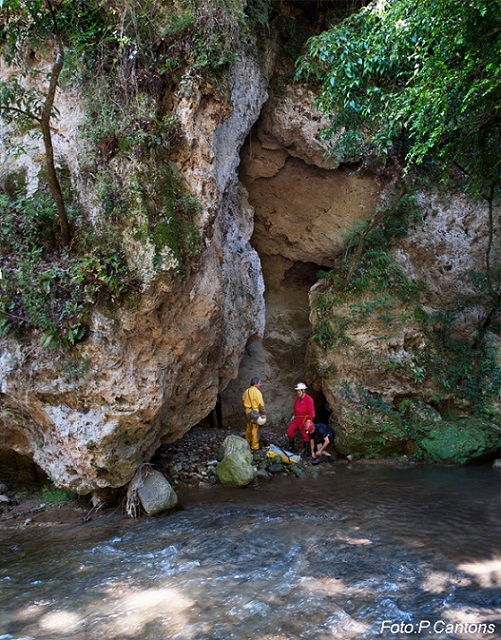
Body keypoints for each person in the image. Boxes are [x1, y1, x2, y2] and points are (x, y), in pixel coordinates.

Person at [286, 382, 315, 457]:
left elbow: (312, 413)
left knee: (306, 434)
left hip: (305, 419)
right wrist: (293, 416)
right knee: (290, 431)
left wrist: (308, 422)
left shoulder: (309, 399)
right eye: (297, 391)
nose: (297, 392)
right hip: (297, 419)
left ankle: (307, 450)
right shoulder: (297, 399)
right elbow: (295, 409)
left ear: (303, 390)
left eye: (299, 390)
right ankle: (291, 446)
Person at [242, 376, 265, 453]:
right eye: (259, 383)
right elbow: (261, 405)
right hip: (255, 412)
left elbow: (243, 400)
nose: (260, 385)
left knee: (248, 426)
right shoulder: (257, 392)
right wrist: (263, 414)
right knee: (255, 428)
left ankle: (247, 442)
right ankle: (255, 446)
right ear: (255, 384)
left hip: (247, 411)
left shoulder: (246, 391)